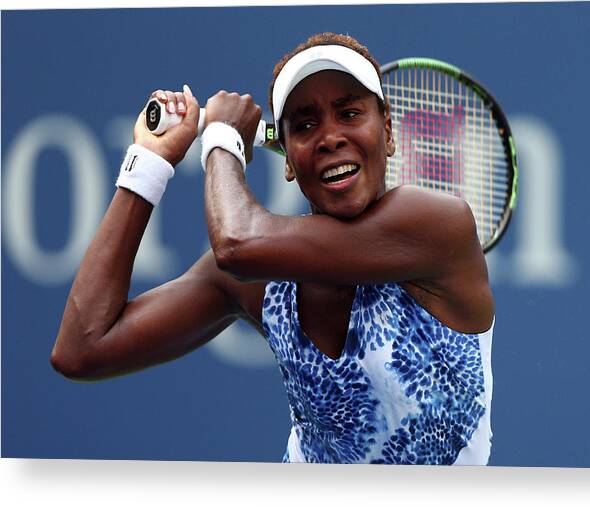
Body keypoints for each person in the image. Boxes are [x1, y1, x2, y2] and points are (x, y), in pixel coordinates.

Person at [52, 32, 495, 465]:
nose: (329, 137)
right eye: (304, 125)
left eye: (350, 113)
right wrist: (149, 161)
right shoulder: (261, 277)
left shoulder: (438, 225)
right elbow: (83, 349)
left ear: (389, 131)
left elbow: (236, 243)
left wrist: (223, 141)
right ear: (287, 157)